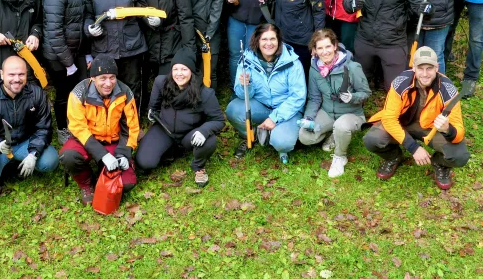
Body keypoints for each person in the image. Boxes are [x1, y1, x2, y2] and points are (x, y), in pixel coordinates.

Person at [363, 47, 469, 190]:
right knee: (372, 139)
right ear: (414, 68)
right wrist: (413, 148)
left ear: (437, 67)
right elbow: (389, 118)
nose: (425, 74)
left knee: (460, 156)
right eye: (421, 68)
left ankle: (439, 163)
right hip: (402, 124)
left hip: (430, 129)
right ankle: (394, 157)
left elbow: (459, 130)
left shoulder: (448, 90)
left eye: (429, 68)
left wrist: (448, 130)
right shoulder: (400, 83)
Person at [0, 56, 59, 197]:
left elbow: (44, 128)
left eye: (21, 74)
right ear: (1, 74)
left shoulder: (37, 94)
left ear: (26, 74)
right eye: (11, 74)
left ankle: (23, 162)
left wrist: (33, 154)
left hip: (26, 142)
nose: (16, 79)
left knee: (50, 160)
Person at [136, 50, 225, 187]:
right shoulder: (161, 82)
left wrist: (204, 130)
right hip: (164, 129)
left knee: (210, 140)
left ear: (192, 71)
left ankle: (198, 166)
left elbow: (218, 120)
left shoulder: (205, 92)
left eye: (184, 69)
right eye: (175, 69)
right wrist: (151, 112)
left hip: (189, 134)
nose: (179, 73)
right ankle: (170, 149)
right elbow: (153, 106)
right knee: (145, 162)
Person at [60, 55, 139, 205]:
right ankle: (86, 182)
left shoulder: (125, 93)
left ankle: (121, 164)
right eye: (103, 78)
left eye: (112, 78)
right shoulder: (78, 93)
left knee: (127, 184)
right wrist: (102, 155)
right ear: (93, 78)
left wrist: (123, 153)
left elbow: (130, 127)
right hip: (86, 140)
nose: (108, 83)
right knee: (68, 156)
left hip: (113, 141)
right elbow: (78, 127)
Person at [225, 23, 306, 163]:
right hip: (262, 106)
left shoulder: (292, 62)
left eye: (272, 39)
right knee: (233, 109)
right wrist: (246, 85)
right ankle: (251, 135)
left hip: (287, 110)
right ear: (257, 41)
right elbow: (241, 95)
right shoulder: (247, 59)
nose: (269, 43)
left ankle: (277, 136)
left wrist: (274, 118)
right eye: (264, 39)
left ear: (279, 41)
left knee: (282, 142)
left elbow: (298, 97)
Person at [85, 0, 152, 107]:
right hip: (104, 46)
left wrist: (152, 19)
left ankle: (131, 121)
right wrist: (89, 29)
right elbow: (87, 15)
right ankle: (109, 122)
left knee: (132, 85)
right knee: (106, 86)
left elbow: (143, 10)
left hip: (131, 45)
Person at [298, 29, 370, 177]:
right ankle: (333, 134)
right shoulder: (315, 68)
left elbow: (366, 93)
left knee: (342, 126)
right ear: (314, 50)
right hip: (328, 113)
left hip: (351, 114)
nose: (325, 52)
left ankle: (340, 157)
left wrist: (352, 97)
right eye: (320, 48)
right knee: (305, 136)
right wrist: (309, 118)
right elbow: (314, 98)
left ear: (335, 46)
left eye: (328, 46)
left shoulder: (352, 67)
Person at [42, 0, 90, 142]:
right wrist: (68, 63)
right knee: (63, 93)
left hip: (76, 50)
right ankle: (62, 127)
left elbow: (81, 24)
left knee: (80, 90)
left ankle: (78, 124)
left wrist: (86, 54)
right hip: (58, 56)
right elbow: (54, 33)